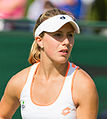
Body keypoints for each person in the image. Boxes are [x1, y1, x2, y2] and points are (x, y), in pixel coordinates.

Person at [0, 8, 98, 119]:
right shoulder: (19, 82)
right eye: (58, 34)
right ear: (39, 40)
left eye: (70, 35)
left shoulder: (83, 85)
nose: (66, 42)